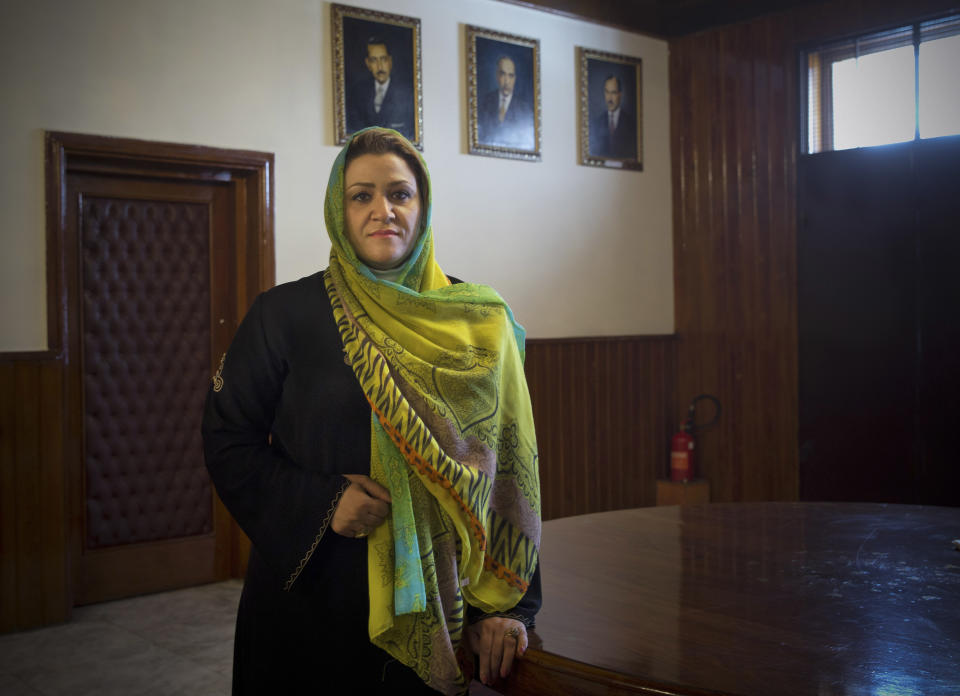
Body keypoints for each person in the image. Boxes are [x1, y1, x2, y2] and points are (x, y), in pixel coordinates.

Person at [202, 127, 542, 696]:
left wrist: (508, 609)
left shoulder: (480, 324)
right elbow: (226, 438)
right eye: (361, 195)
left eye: (399, 194)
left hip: (442, 600)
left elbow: (513, 472)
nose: (382, 210)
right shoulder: (283, 315)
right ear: (340, 208)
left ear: (423, 206)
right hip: (311, 606)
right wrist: (324, 502)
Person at [346, 36, 414, 139]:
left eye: (383, 59)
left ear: (390, 61)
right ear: (368, 63)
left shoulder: (406, 95)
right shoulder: (358, 93)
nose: (380, 67)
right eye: (374, 60)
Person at [477, 55, 534, 149]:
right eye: (503, 74)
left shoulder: (525, 109)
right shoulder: (484, 102)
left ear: (515, 78)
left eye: (510, 75)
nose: (507, 81)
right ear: (497, 75)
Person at [589, 74, 638, 159]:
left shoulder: (632, 125)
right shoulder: (596, 124)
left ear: (620, 94)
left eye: (613, 93)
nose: (610, 99)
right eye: (607, 92)